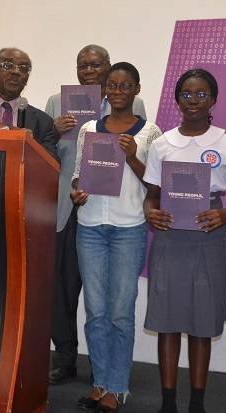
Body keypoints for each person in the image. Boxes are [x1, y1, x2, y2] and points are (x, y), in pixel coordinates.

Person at [143, 68, 226, 413]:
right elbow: (151, 196)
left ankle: (197, 404)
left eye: (201, 94)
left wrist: (225, 215)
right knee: (168, 322)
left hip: (208, 238)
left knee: (202, 324)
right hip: (170, 238)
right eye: (187, 94)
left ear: (213, 99)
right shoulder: (162, 144)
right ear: (177, 99)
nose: (193, 100)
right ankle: (168, 402)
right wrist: (150, 213)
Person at [44, 44, 147, 385]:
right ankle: (67, 357)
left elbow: (147, 163)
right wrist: (54, 131)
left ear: (108, 69)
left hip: (116, 209)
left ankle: (104, 373)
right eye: (82, 64)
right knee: (64, 286)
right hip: (69, 203)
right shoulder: (57, 103)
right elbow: (44, 152)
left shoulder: (136, 108)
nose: (88, 70)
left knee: (107, 300)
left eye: (95, 64)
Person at [69, 62, 161, 413]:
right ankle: (100, 382)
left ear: (136, 89)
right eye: (112, 85)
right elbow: (79, 175)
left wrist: (132, 157)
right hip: (90, 227)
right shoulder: (89, 128)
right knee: (94, 311)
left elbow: (155, 185)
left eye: (125, 85)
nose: (118, 91)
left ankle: (117, 387)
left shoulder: (150, 132)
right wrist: (77, 192)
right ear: (104, 89)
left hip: (128, 229)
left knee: (120, 312)